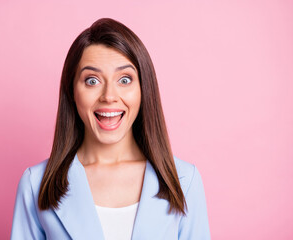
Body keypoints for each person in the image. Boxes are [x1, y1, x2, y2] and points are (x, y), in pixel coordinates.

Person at [11, 18, 210, 240]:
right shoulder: (36, 184)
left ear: (144, 89)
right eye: (92, 81)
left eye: (124, 80)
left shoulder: (184, 181)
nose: (109, 96)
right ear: (72, 91)